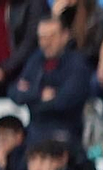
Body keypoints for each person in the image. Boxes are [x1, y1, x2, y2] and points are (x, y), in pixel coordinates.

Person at [8, 16, 93, 149]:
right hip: (33, 130)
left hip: (64, 132)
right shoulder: (36, 60)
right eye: (42, 38)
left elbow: (63, 102)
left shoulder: (78, 64)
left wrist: (30, 96)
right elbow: (14, 93)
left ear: (65, 36)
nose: (45, 43)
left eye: (51, 37)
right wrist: (40, 93)